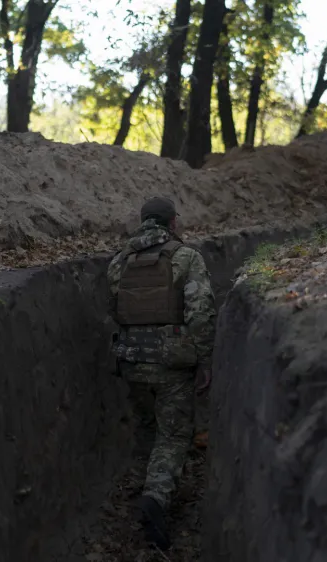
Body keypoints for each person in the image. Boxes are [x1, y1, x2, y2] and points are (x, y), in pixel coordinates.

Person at [107, 196, 215, 550]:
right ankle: (156, 496)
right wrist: (204, 362)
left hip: (131, 360)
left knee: (147, 427)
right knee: (173, 436)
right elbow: (200, 314)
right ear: (172, 223)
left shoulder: (119, 262)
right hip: (172, 364)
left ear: (142, 221)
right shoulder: (186, 257)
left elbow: (115, 310)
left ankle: (146, 482)